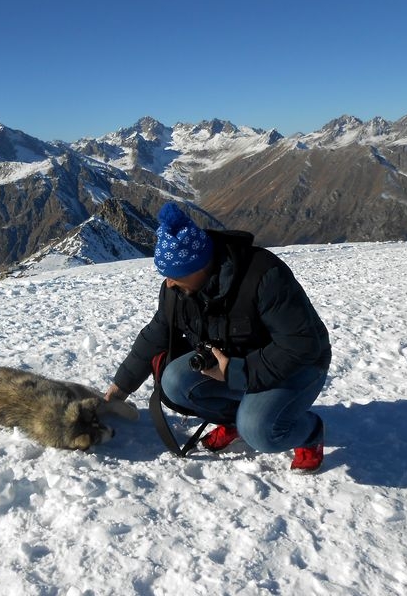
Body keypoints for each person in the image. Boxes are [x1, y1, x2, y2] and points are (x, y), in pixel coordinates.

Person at [104, 202, 331, 472]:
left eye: (174, 276)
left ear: (199, 267)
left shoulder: (264, 276)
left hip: (299, 365)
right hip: (237, 364)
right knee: (174, 382)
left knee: (258, 431)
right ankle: (236, 420)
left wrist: (238, 372)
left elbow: (301, 345)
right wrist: (119, 390)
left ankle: (309, 432)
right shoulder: (178, 290)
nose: (169, 283)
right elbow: (156, 333)